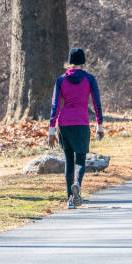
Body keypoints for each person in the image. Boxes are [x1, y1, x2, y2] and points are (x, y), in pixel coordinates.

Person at [48, 48, 104, 209]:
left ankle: (70, 199)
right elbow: (96, 103)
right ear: (83, 62)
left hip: (64, 124)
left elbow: (55, 106)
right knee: (80, 159)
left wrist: (51, 130)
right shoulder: (89, 79)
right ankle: (78, 183)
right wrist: (100, 126)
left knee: (69, 162)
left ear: (69, 61)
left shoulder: (61, 80)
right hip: (82, 123)